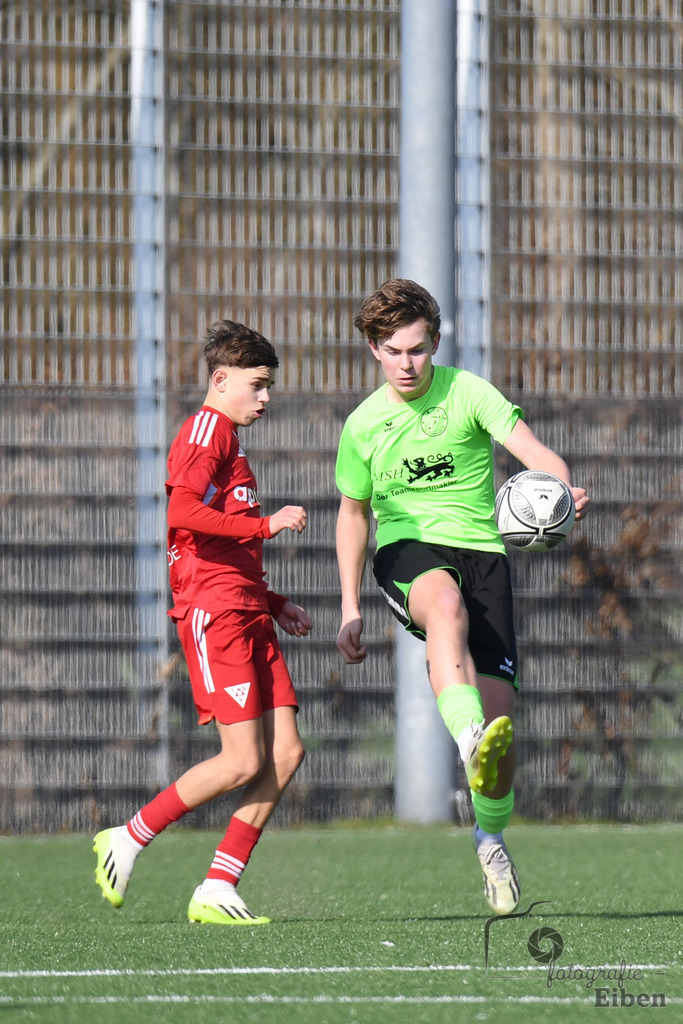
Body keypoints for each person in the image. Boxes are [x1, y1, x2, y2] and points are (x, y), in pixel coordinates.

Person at [334, 280, 589, 915]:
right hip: (408, 552)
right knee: (442, 606)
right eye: (393, 351)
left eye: (418, 349)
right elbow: (353, 515)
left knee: (502, 735)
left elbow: (532, 452)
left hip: (486, 556)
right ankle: (465, 732)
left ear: (436, 342)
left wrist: (562, 491)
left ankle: (491, 839)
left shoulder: (468, 391)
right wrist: (349, 606)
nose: (407, 364)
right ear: (373, 349)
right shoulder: (363, 425)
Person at [93, 320, 311, 925]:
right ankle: (129, 836)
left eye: (269, 386)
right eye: (258, 384)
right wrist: (266, 526)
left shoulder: (230, 440)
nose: (266, 397)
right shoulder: (206, 429)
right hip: (214, 615)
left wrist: (271, 600)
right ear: (221, 380)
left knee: (286, 751)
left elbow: (219, 539)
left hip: (245, 609)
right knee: (242, 760)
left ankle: (218, 886)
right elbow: (182, 511)